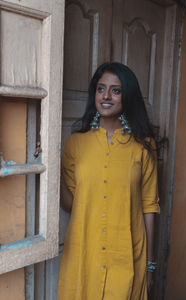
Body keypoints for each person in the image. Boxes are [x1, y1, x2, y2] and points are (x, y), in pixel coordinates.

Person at [58, 62, 160, 300]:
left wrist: (150, 264)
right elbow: (71, 203)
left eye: (115, 90)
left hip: (127, 254)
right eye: (100, 88)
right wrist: (52, 169)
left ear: (128, 96)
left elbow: (149, 206)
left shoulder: (143, 147)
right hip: (85, 253)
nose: (106, 96)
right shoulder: (76, 143)